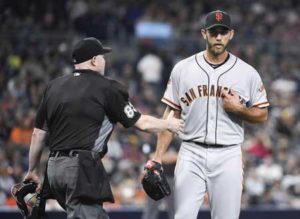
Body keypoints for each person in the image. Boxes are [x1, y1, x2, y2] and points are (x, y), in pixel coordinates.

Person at [23, 37, 184, 219]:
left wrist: (32, 170)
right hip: (79, 168)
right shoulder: (107, 87)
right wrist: (168, 124)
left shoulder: (53, 87)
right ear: (93, 60)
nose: (104, 60)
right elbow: (141, 123)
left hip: (53, 170)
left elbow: (38, 134)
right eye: (102, 56)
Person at [151, 10, 269, 219]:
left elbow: (262, 114)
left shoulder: (246, 72)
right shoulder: (182, 69)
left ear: (231, 34)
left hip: (228, 154)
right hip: (191, 152)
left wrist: (240, 110)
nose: (218, 37)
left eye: (223, 32)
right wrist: (157, 157)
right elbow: (171, 116)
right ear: (204, 33)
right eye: (214, 32)